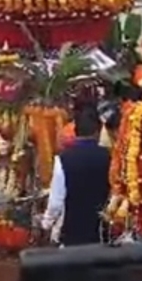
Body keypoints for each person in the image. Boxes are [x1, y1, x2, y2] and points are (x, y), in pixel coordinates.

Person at [41, 105, 110, 246]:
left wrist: (47, 223)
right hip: (100, 231)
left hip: (71, 231)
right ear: (98, 131)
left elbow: (56, 201)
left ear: (75, 131)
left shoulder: (63, 159)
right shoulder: (108, 156)